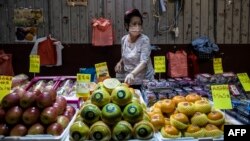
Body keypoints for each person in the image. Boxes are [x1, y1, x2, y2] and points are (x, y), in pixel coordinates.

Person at [115, 9, 154, 88]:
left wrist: (132, 74)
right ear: (126, 25)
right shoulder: (124, 39)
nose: (137, 27)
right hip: (129, 80)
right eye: (134, 24)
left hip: (144, 82)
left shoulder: (144, 40)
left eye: (139, 24)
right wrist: (120, 62)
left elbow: (144, 62)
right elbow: (124, 55)